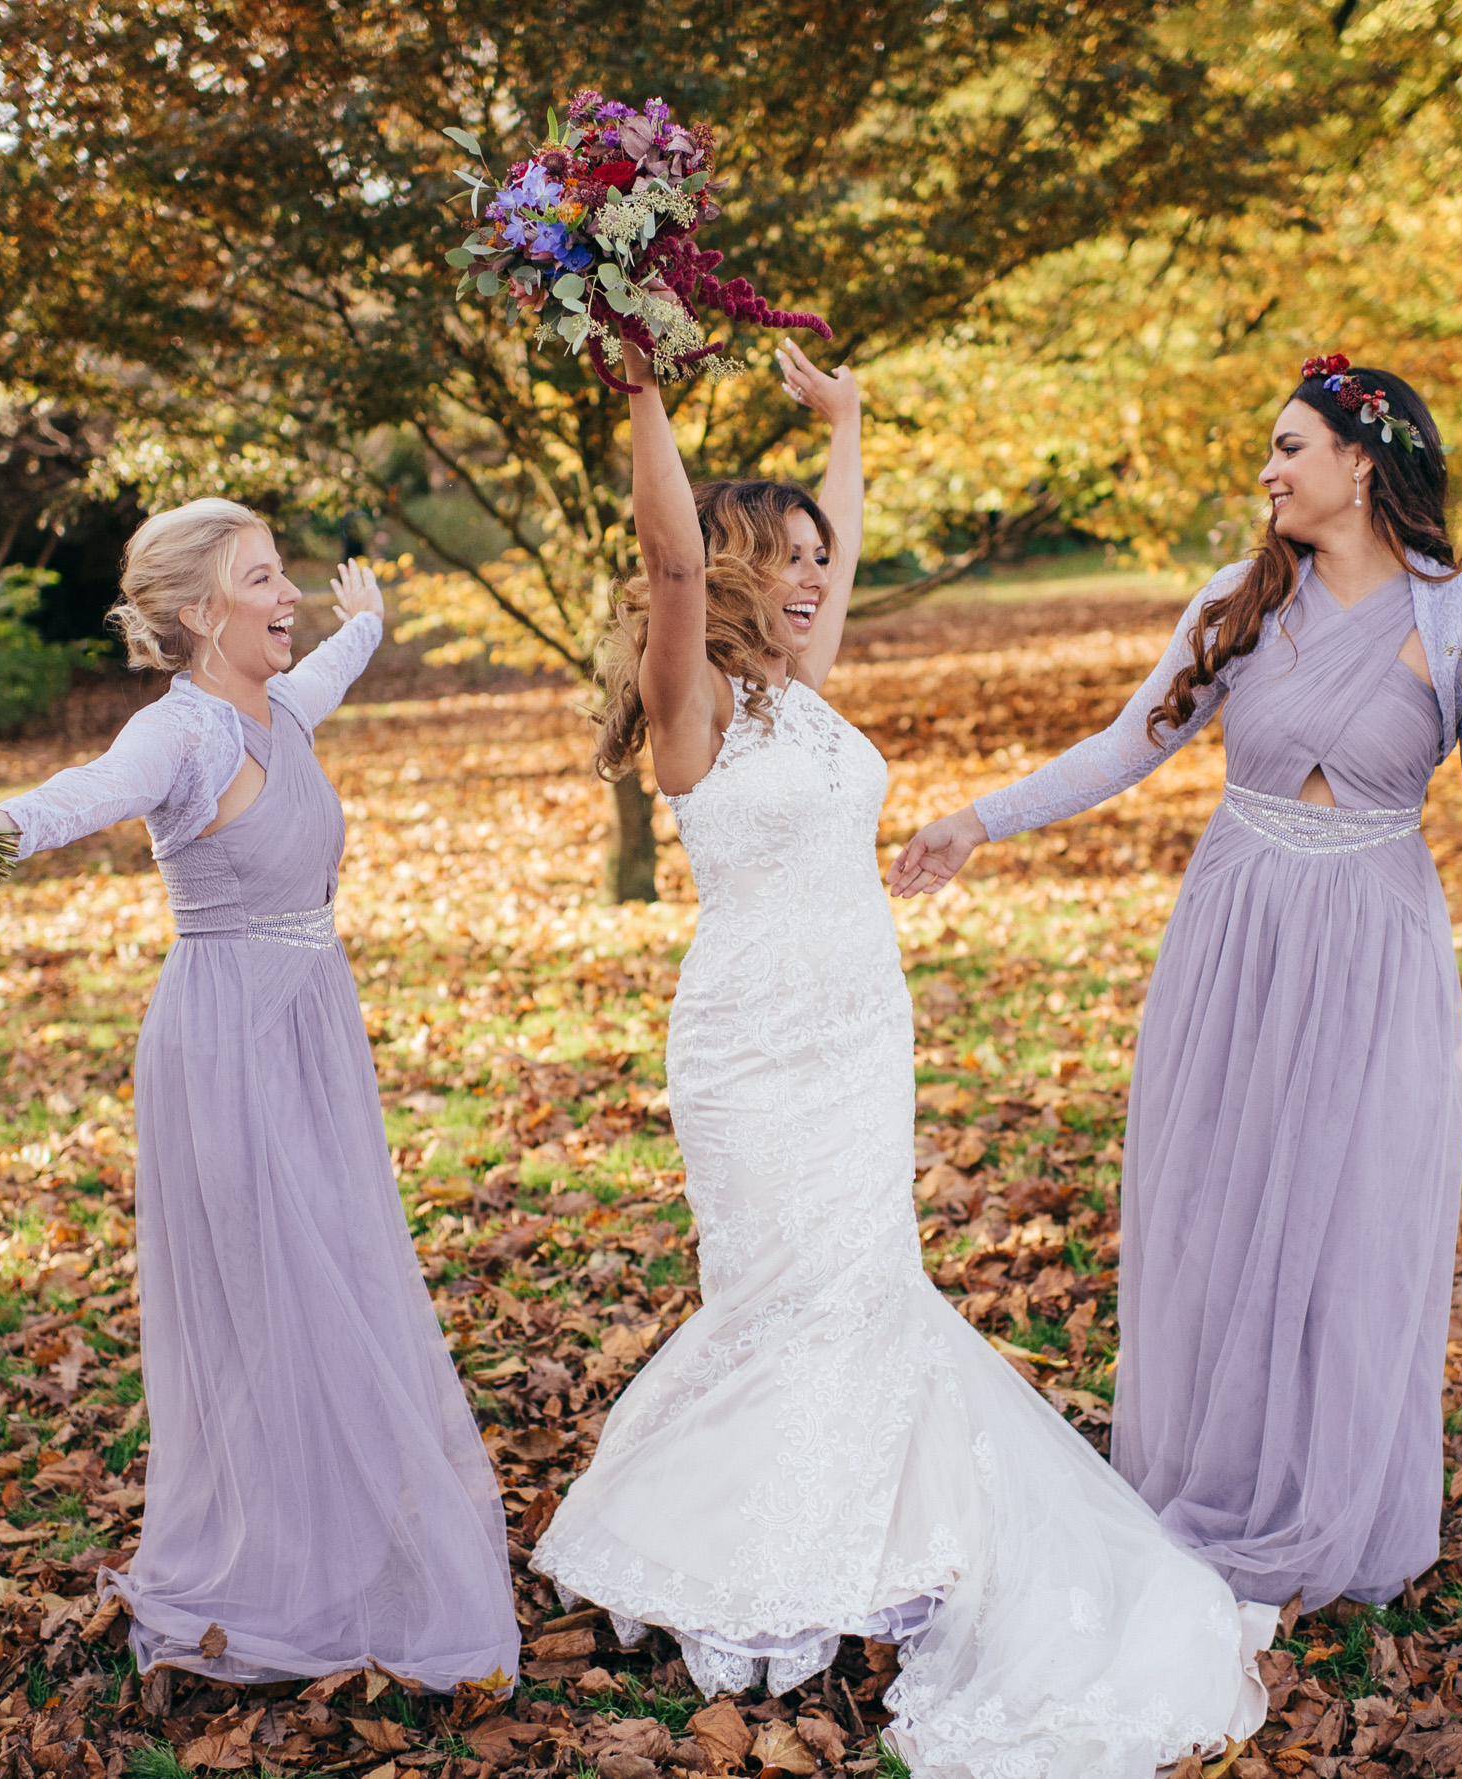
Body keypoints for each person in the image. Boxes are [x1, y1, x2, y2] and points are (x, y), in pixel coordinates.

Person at [529, 339, 1271, 1779]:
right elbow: (670, 564)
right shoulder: (699, 710)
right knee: (780, 1292)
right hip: (752, 1043)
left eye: (820, 554)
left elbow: (847, 549)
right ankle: (756, 1553)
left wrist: (849, 424)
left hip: (863, 1025)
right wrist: (640, 387)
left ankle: (868, 1532)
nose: (815, 574)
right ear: (732, 568)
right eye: (786, 555)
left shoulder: (806, 684)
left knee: (866, 1283)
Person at [888, 358, 1462, 1612]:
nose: (1266, 470)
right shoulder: (1236, 601)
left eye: (1287, 446)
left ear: (1361, 463)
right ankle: (1219, 1474)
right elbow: (1123, 745)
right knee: (1219, 1206)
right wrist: (979, 822)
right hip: (1236, 933)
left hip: (1373, 946)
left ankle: (1325, 1501)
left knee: (1349, 1220)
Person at [0, 500, 517, 1688]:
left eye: (286, 577)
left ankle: (338, 1547)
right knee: (281, 1300)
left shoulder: (282, 708)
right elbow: (76, 797)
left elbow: (323, 669)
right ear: (202, 616)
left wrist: (365, 625)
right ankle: (277, 1572)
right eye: (264, 580)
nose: (289, 595)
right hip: (228, 1046)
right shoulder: (184, 737)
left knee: (345, 1278)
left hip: (314, 1032)